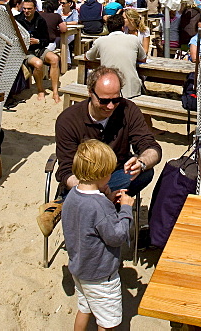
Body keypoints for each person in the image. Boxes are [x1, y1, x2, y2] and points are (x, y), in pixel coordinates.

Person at [41, 66, 161, 235]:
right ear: (90, 92)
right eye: (104, 101)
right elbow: (67, 171)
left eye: (116, 99)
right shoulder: (68, 120)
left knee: (146, 172)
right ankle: (84, 202)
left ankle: (64, 205)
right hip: (83, 183)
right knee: (87, 194)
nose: (111, 106)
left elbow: (151, 147)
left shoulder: (127, 109)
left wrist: (141, 162)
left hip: (116, 176)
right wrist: (95, 190)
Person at [61, 139, 135, 331]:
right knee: (107, 322)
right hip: (101, 276)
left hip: (80, 268)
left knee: (84, 308)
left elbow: (86, 221)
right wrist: (125, 210)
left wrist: (109, 200)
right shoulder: (99, 206)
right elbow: (117, 236)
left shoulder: (72, 197)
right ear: (102, 174)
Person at [86, 14, 147, 98]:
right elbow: (143, 58)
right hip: (131, 89)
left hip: (108, 88)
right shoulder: (134, 39)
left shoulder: (100, 41)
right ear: (122, 27)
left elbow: (88, 57)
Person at [16, 0, 60, 102]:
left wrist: (38, 41)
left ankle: (55, 92)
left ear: (35, 8)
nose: (26, 11)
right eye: (24, 8)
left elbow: (47, 40)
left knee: (55, 59)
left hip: (39, 48)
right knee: (38, 63)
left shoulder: (40, 20)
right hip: (25, 51)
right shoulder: (17, 20)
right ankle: (40, 90)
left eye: (29, 9)